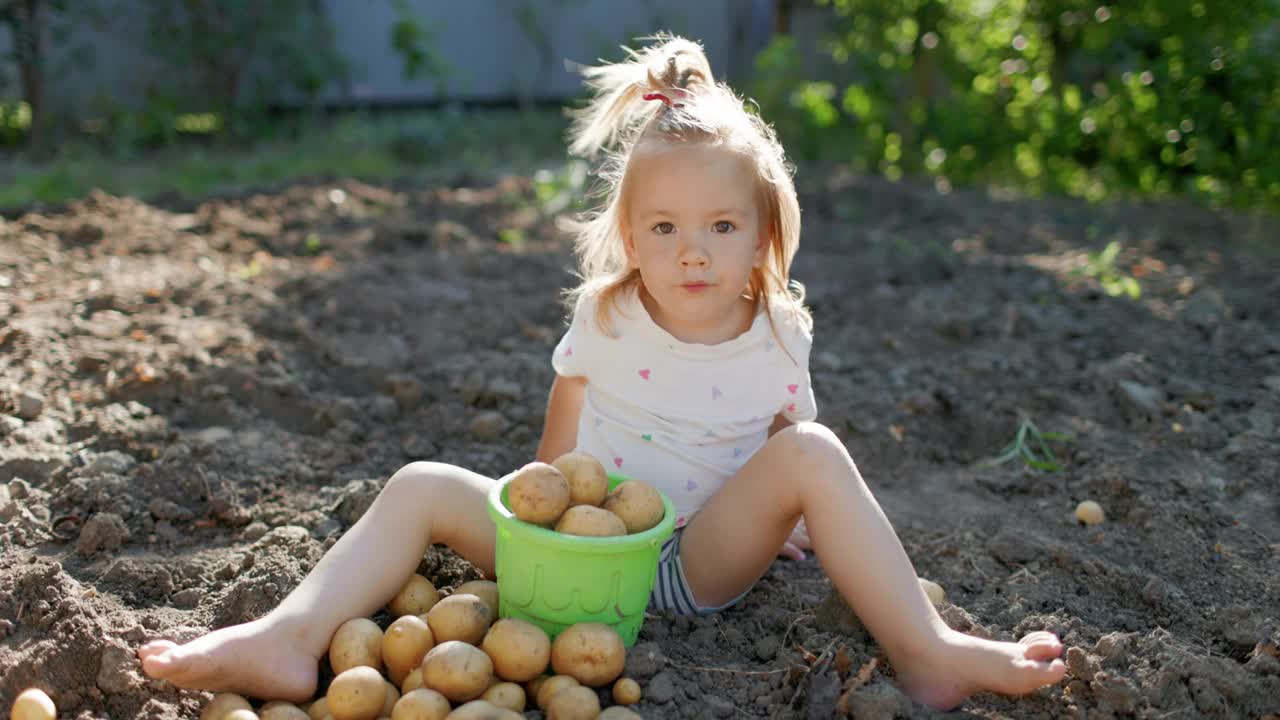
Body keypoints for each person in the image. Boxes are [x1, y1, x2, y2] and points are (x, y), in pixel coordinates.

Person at [138, 35, 1066, 710]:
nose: (692, 252)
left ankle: (927, 648)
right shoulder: (607, 313)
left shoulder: (782, 332)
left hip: (689, 566)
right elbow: (563, 434)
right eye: (664, 229)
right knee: (420, 484)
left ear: (764, 234)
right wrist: (526, 518)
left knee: (820, 451)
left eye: (721, 227)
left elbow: (786, 448)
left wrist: (787, 520)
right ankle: (290, 637)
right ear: (630, 235)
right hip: (576, 560)